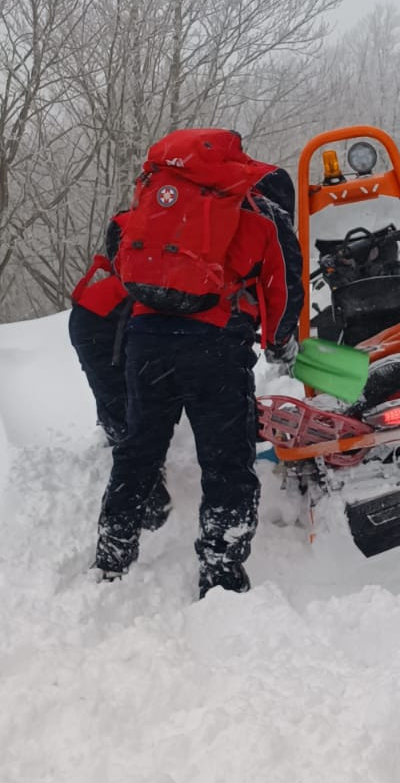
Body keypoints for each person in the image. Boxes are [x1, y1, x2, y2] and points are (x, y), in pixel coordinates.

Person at [94, 128, 303, 597]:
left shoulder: (155, 201)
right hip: (215, 346)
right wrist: (278, 340)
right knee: (226, 460)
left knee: (138, 449)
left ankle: (112, 553)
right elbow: (284, 285)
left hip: (146, 342)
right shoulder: (258, 212)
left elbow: (118, 247)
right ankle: (221, 571)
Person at [69, 215, 171, 532]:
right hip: (101, 320)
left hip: (101, 311)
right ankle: (150, 503)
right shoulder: (152, 225)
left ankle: (125, 447)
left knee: (122, 395)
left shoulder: (140, 221)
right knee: (122, 400)